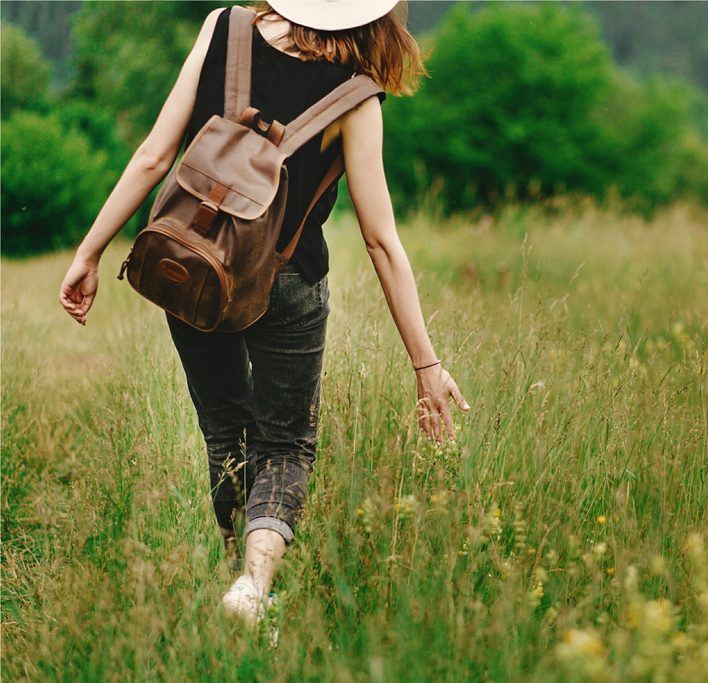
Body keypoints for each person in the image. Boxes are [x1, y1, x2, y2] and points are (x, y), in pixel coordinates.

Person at [58, 0, 470, 626]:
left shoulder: (224, 26)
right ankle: (253, 587)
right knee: (284, 445)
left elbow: (152, 155)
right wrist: (425, 363)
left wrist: (89, 253)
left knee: (226, 431)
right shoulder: (357, 92)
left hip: (191, 264)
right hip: (288, 281)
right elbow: (381, 239)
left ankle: (239, 582)